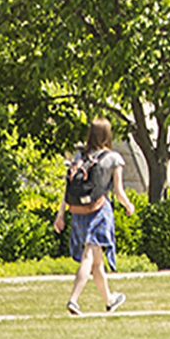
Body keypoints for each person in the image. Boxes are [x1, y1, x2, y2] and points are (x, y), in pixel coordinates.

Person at [55, 117, 128, 315]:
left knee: (97, 262)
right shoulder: (113, 158)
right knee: (89, 255)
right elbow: (119, 191)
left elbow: (67, 189)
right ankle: (73, 300)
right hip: (99, 210)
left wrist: (60, 215)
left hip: (78, 212)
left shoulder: (79, 157)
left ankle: (109, 300)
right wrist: (129, 206)